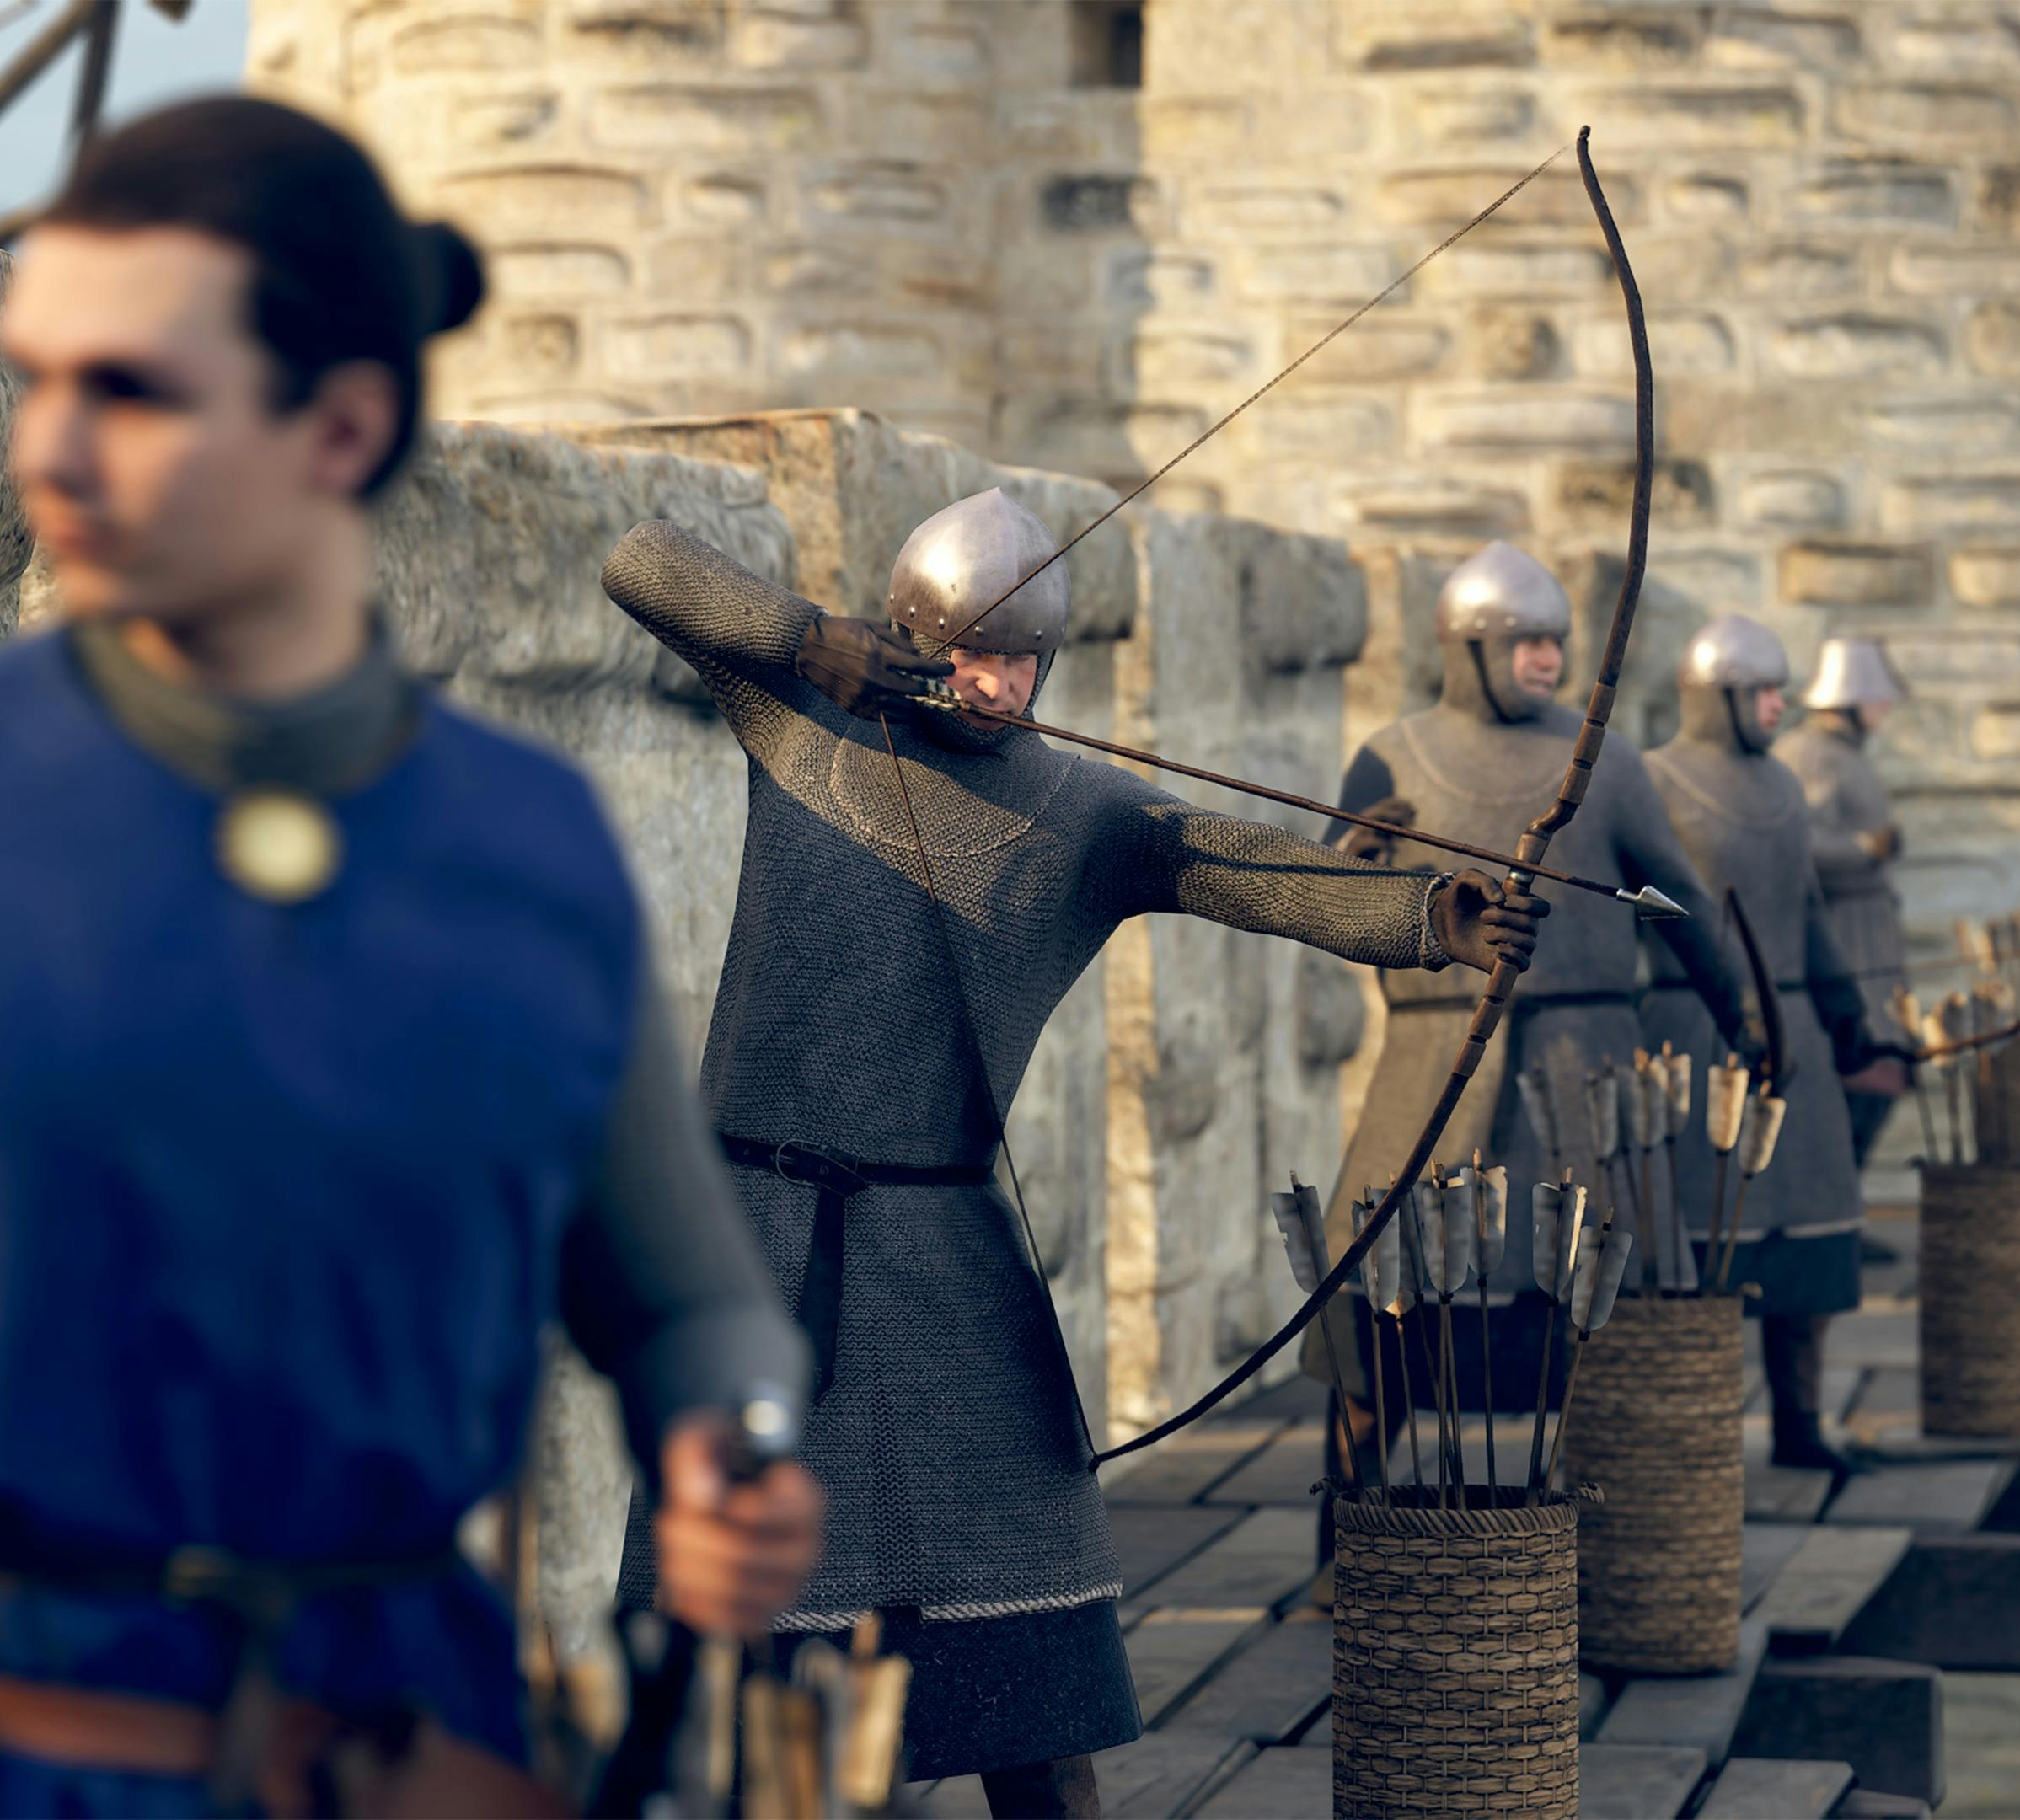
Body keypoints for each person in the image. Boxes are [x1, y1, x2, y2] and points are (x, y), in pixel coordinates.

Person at [0, 98, 819, 1815]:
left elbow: (690, 1300)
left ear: (340, 425)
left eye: (131, 391)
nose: (49, 451)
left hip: (404, 1757)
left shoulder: (524, 850)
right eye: (37, 377)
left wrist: (734, 1440)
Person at [599, 490, 1546, 1815]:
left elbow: (1242, 863)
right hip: (754, 1241)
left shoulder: (1080, 810)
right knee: (739, 1647)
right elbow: (638, 559)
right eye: (972, 654)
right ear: (911, 635)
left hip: (944, 1254)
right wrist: (807, 638)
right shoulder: (800, 714)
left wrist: (1431, 916)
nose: (998, 686)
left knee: (1028, 1642)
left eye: (1022, 660)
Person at [1305, 540, 1752, 1509]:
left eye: (1554, 641)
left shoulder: (1604, 761)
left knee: (1593, 1331)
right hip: (1431, 1072)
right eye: (1523, 643)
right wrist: (1346, 861)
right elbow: (1332, 910)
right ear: (1466, 649)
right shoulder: (1391, 757)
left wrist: (1743, 1017)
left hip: (1576, 1075)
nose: (1548, 659)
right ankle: (1349, 1548)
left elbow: (1672, 902)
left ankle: (1598, 1544)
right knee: (1379, 1330)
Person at [1641, 616, 1904, 1477]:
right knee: (1705, 1242)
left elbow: (1806, 910)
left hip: (1797, 1045)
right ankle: (1689, 1434)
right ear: (1716, 696)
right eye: (1762, 692)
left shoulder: (1786, 785)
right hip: (1696, 1034)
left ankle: (1800, 1425)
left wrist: (1843, 1008)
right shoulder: (1650, 780)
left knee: (1812, 1236)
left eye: (1778, 691)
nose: (1778, 706)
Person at [1782, 638, 1915, 1169]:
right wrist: (1866, 848)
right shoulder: (1810, 754)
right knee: (1853, 1081)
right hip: (1841, 941)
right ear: (1848, 699)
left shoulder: (1844, 755)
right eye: (1876, 698)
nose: (1885, 708)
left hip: (1867, 936)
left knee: (1877, 1078)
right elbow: (1797, 846)